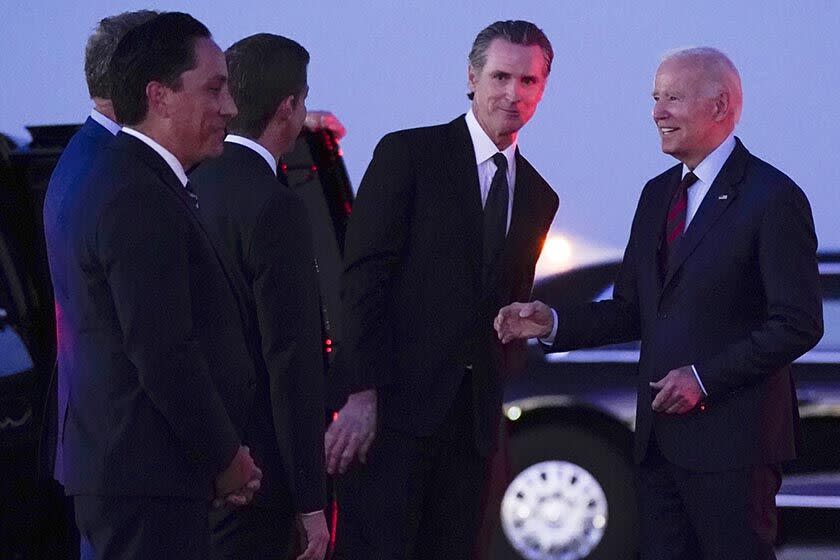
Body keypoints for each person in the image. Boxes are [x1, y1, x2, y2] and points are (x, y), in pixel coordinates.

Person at [495, 47, 823, 560]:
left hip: (733, 449)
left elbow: (798, 323)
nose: (657, 112)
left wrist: (704, 378)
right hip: (658, 444)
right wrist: (552, 322)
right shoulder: (656, 195)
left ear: (719, 106)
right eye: (655, 98)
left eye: (672, 98)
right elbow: (630, 308)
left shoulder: (772, 197)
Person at [328, 20, 558, 559]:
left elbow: (504, 310)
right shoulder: (408, 155)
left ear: (543, 89)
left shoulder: (539, 197)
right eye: (501, 76)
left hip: (472, 434)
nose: (513, 93)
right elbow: (363, 281)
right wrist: (361, 394)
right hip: (389, 418)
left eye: (528, 81)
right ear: (472, 77)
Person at [46, 12, 264, 559]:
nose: (230, 108)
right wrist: (225, 458)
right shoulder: (135, 192)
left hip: (135, 473)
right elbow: (163, 350)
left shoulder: (117, 174)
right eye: (214, 89)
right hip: (146, 477)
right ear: (159, 96)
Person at [190, 33, 329, 560]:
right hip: (260, 472)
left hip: (194, 458)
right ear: (289, 106)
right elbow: (289, 359)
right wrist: (310, 501)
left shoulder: (188, 181)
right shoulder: (274, 205)